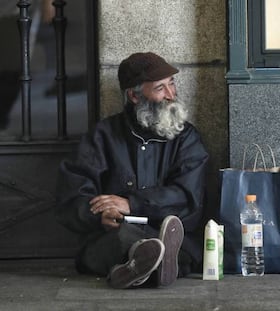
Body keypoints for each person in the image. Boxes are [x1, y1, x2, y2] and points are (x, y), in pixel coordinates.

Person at [55, 52, 209, 289]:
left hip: (169, 234)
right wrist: (99, 217)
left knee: (170, 242)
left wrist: (132, 204)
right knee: (123, 238)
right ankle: (148, 262)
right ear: (134, 95)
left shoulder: (186, 138)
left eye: (171, 84)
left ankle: (134, 268)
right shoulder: (103, 135)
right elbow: (72, 195)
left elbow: (189, 197)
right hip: (113, 237)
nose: (171, 95)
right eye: (160, 88)